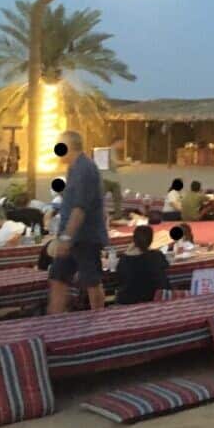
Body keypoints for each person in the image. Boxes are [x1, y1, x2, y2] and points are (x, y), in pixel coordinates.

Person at [47, 131, 109, 313]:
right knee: (58, 278)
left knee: (92, 281)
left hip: (85, 237)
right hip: (72, 236)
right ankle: (54, 321)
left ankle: (98, 319)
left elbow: (80, 208)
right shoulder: (73, 168)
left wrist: (66, 237)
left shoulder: (85, 169)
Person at [115, 224, 170, 305]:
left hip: (128, 300)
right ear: (151, 240)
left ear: (134, 240)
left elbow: (119, 278)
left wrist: (127, 251)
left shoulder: (124, 259)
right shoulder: (156, 255)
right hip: (153, 298)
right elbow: (166, 266)